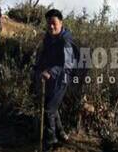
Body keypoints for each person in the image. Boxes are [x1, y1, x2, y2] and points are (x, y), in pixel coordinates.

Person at [34, 8, 74, 150]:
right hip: (49, 78)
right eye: (49, 23)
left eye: (54, 23)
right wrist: (38, 68)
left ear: (61, 23)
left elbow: (68, 65)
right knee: (52, 106)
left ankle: (51, 141)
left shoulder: (66, 40)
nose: (51, 26)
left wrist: (51, 71)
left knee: (50, 109)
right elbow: (44, 55)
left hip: (61, 79)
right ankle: (62, 133)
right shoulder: (48, 37)